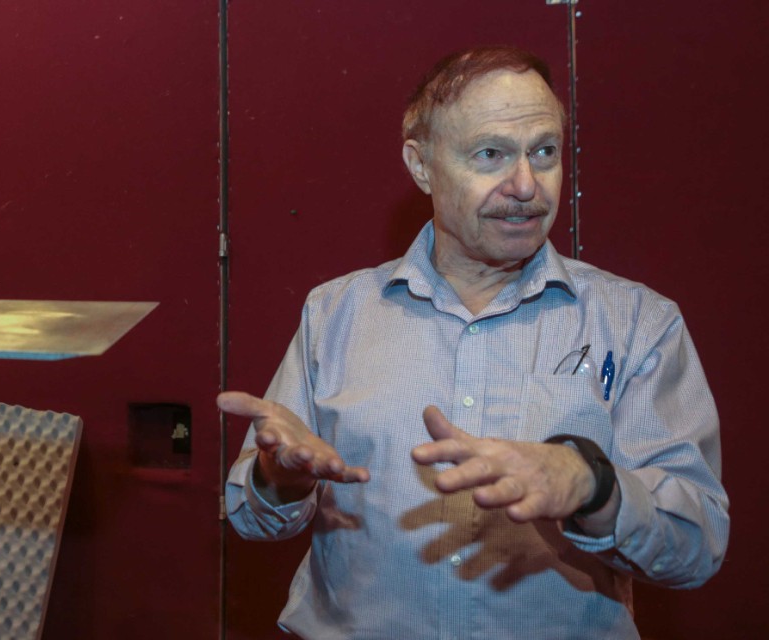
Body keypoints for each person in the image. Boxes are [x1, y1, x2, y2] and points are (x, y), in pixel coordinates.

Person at [220, 46, 729, 639]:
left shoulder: (638, 322)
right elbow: (251, 519)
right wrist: (281, 477)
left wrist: (594, 487)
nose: (526, 184)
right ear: (422, 165)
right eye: (491, 154)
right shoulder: (335, 314)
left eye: (544, 152)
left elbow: (698, 546)